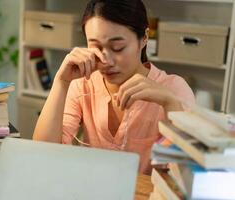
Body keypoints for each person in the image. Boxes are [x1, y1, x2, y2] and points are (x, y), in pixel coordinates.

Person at [33, 0, 195, 174]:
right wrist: (61, 82)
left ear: (144, 38)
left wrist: (170, 103)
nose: (106, 61)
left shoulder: (174, 90)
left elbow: (184, 175)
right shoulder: (83, 83)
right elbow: (43, 154)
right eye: (95, 46)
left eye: (118, 48)